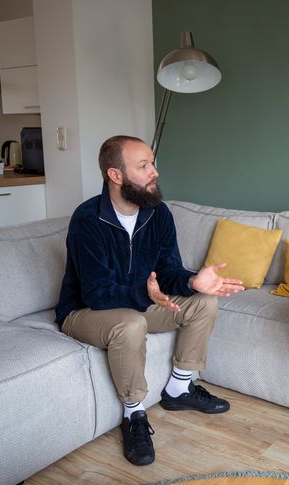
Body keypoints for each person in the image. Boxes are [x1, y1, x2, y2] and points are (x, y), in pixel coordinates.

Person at [55, 135, 244, 467]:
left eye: (152, 162)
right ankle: (133, 415)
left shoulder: (158, 214)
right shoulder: (88, 220)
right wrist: (146, 294)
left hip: (138, 302)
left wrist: (191, 280)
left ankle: (179, 389)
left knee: (203, 302)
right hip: (83, 311)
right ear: (116, 176)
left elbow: (168, 271)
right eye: (143, 166)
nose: (154, 172)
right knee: (131, 323)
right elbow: (96, 294)